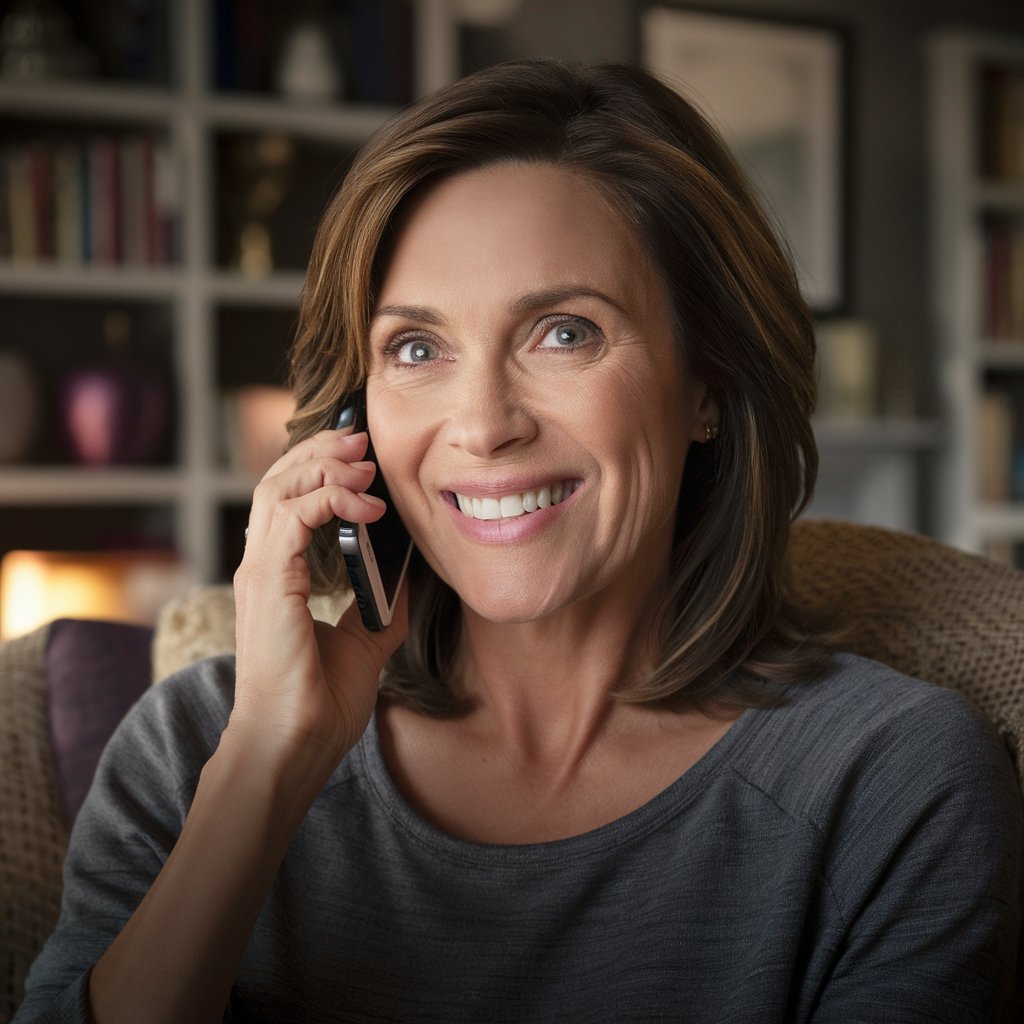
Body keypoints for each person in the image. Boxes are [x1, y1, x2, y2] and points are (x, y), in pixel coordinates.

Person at [15, 59, 1021, 1024]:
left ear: (707, 383)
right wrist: (268, 767)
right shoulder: (200, 745)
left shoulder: (889, 782)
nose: (483, 422)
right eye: (416, 347)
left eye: (563, 333)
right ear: (353, 420)